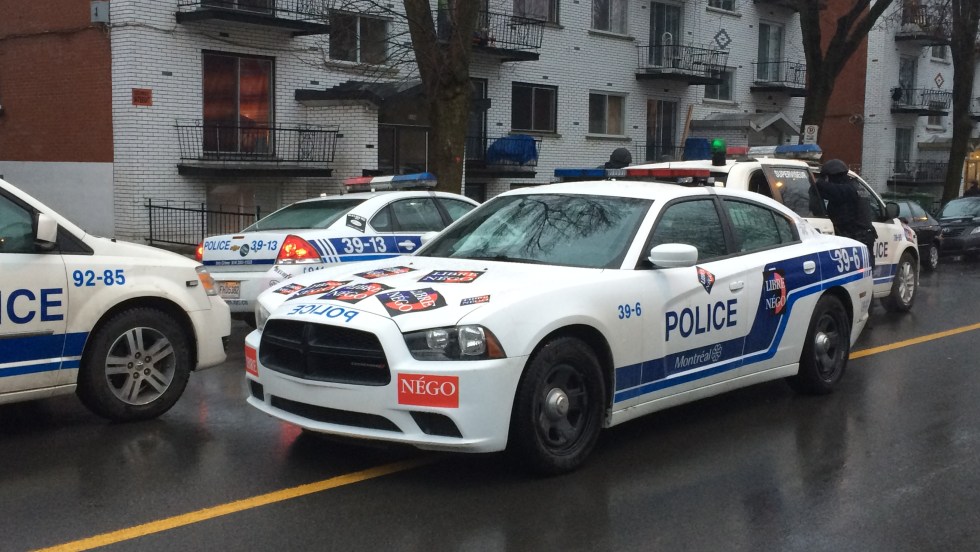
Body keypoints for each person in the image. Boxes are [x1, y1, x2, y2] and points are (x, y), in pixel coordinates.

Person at [815, 159, 878, 270]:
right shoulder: (857, 187)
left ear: (833, 176)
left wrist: (817, 182)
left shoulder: (848, 189)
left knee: (857, 276)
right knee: (865, 273)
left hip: (856, 239)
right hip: (864, 238)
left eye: (827, 178)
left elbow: (830, 189)